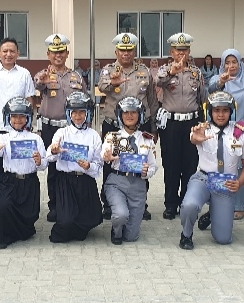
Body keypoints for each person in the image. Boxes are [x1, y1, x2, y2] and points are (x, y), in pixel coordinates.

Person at [178, 92, 244, 250]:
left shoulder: (240, 133)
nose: (220, 114)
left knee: (223, 239)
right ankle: (186, 234)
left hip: (225, 183)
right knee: (189, 205)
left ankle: (213, 214)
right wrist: (195, 137)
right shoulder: (202, 129)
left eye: (225, 110)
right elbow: (194, 138)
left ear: (231, 111)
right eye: (216, 110)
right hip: (203, 179)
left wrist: (239, 183)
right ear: (210, 111)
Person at [97, 33, 158, 220]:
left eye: (129, 50)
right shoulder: (108, 70)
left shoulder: (144, 71)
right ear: (116, 52)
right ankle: (109, 204)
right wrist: (112, 83)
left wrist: (153, 127)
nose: (126, 53)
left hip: (139, 127)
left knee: (140, 164)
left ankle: (140, 203)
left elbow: (152, 100)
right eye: (122, 50)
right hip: (114, 127)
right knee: (111, 164)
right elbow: (101, 86)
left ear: (134, 51)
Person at [199, 48, 244, 226]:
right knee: (220, 163)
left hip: (242, 130)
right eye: (227, 63)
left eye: (234, 62)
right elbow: (209, 93)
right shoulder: (217, 80)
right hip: (220, 130)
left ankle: (239, 205)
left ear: (240, 63)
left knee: (243, 166)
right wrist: (221, 82)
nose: (231, 66)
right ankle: (216, 203)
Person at [0, 38, 36, 222]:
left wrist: (30, 123)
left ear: (18, 53)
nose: (8, 54)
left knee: (17, 165)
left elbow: (30, 99)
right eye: (5, 51)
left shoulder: (24, 73)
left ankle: (16, 203)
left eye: (12, 51)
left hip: (19, 127)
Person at [34, 34, 86, 223]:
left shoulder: (76, 76)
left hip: (72, 128)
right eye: (54, 52)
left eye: (61, 52)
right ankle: (54, 205)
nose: (58, 55)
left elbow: (85, 100)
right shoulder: (43, 74)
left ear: (67, 53)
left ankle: (72, 203)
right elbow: (37, 85)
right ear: (48, 54)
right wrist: (43, 81)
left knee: (73, 165)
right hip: (51, 128)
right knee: (54, 167)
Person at [0, 97, 47, 249]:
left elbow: (44, 164)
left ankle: (23, 231)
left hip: (29, 182)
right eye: (14, 116)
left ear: (28, 118)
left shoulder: (36, 139)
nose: (18, 120)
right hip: (9, 182)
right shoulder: (3, 137)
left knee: (30, 214)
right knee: (3, 207)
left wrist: (39, 161)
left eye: (21, 116)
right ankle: (5, 236)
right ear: (8, 117)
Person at [155, 33, 205, 220]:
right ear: (172, 52)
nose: (181, 53)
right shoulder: (164, 70)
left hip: (191, 123)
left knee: (190, 165)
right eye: (178, 50)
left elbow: (202, 98)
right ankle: (170, 204)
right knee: (171, 165)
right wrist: (172, 72)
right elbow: (157, 82)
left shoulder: (196, 73)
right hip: (171, 124)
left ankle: (186, 202)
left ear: (189, 51)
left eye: (184, 49)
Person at [46, 92, 103, 243]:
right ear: (69, 113)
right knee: (66, 222)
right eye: (74, 112)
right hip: (66, 182)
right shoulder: (61, 132)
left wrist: (89, 166)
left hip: (85, 181)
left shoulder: (94, 136)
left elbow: (98, 165)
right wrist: (54, 150)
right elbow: (48, 157)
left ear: (88, 113)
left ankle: (79, 226)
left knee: (94, 218)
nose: (78, 116)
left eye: (82, 112)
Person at [102, 97, 158, 245]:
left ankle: (125, 227)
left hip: (138, 184)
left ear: (140, 114)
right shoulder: (112, 137)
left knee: (131, 237)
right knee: (121, 215)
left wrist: (146, 172)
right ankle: (116, 230)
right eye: (125, 112)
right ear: (120, 115)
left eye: (134, 112)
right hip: (117, 182)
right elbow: (103, 154)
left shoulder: (147, 140)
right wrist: (107, 157)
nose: (130, 115)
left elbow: (153, 166)